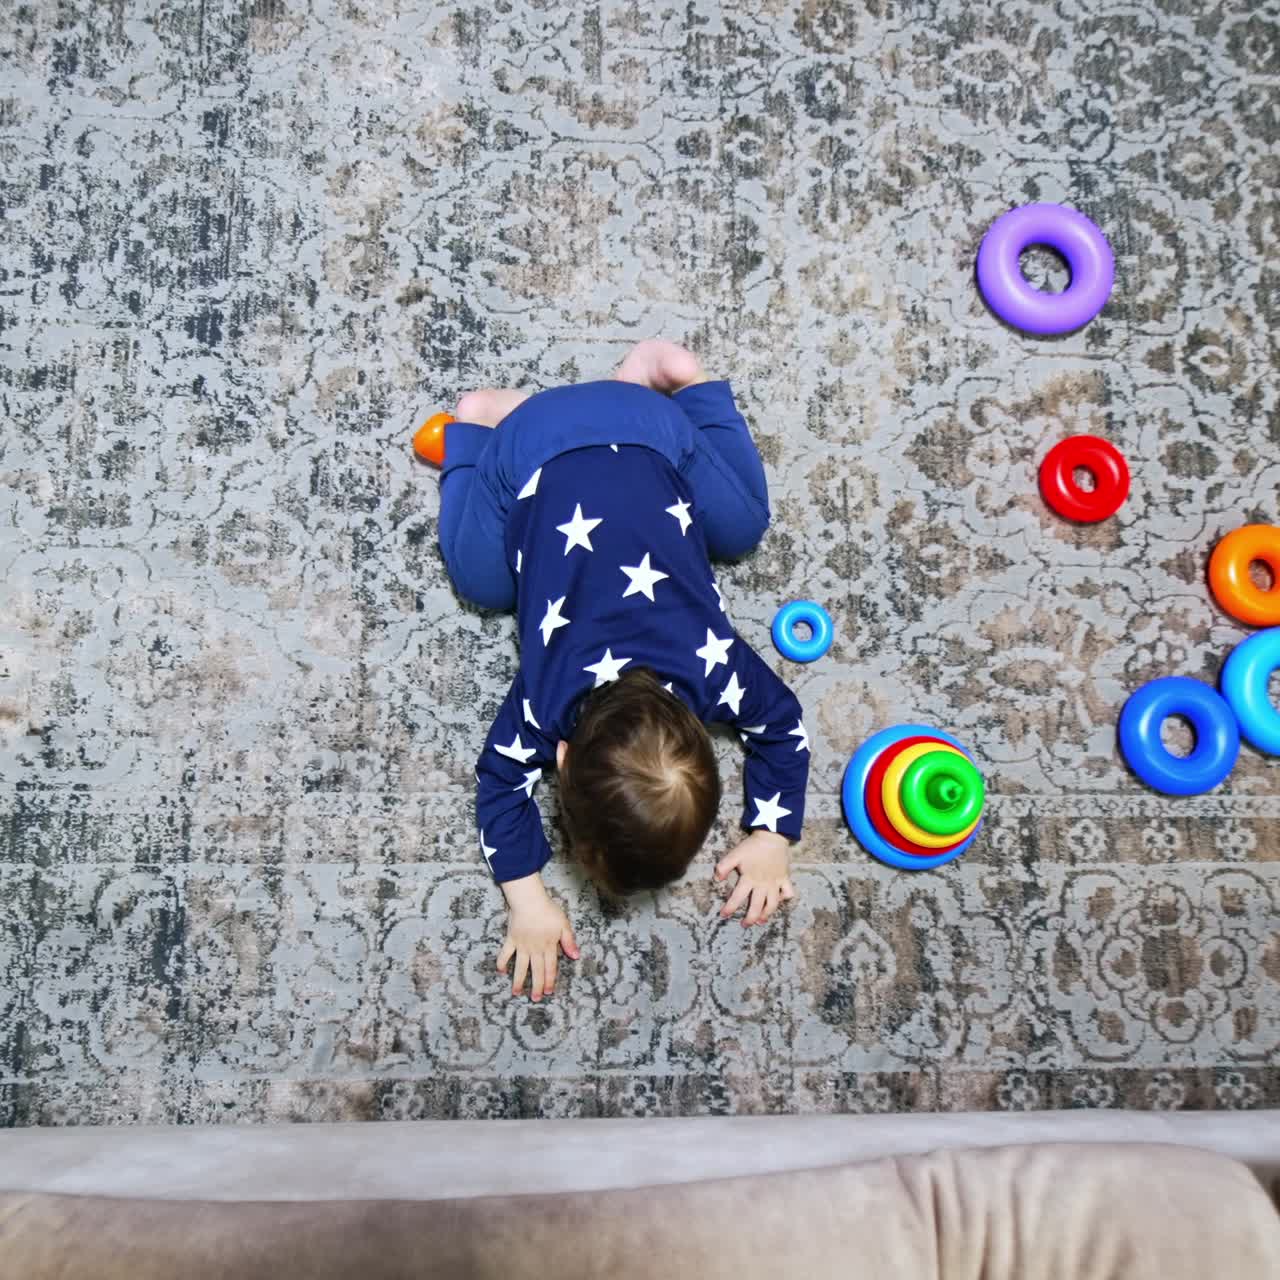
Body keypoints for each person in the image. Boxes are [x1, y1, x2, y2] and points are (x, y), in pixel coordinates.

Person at [430, 340, 809, 1001]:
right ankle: (477, 422)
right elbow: (496, 783)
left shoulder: (717, 674)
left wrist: (773, 831)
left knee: (745, 527)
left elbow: (782, 727)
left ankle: (678, 382)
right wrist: (528, 900)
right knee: (478, 583)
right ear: (565, 757)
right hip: (537, 441)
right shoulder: (547, 705)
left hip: (644, 423)